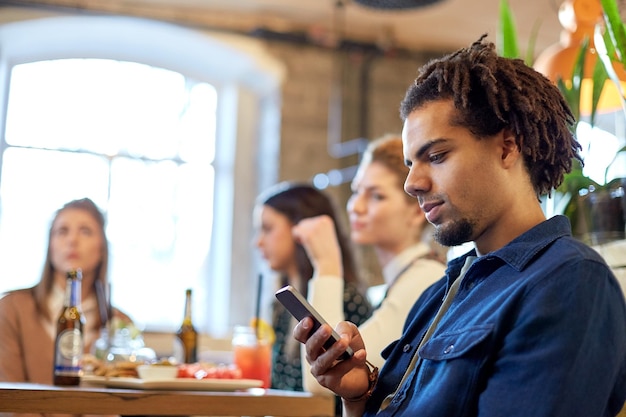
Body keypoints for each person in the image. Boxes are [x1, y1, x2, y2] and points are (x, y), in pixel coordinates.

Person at [293, 35, 626, 417]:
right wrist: (358, 396)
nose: (411, 183)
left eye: (435, 156)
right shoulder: (441, 293)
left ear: (507, 147)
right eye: (410, 164)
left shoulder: (570, 281)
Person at [292, 134, 447, 374]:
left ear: (417, 210)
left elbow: (328, 376)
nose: (355, 206)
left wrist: (328, 265)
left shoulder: (424, 279)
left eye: (376, 196)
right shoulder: (404, 277)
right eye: (356, 192)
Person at [254, 182, 373, 393]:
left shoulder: (345, 298)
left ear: (300, 228)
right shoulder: (280, 306)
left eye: (268, 229)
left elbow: (336, 391)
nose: (258, 242)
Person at [0, 197, 131, 386]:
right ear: (50, 245)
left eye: (85, 231)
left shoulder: (120, 325)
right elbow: (9, 399)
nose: (72, 240)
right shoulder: (12, 310)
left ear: (102, 248)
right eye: (63, 231)